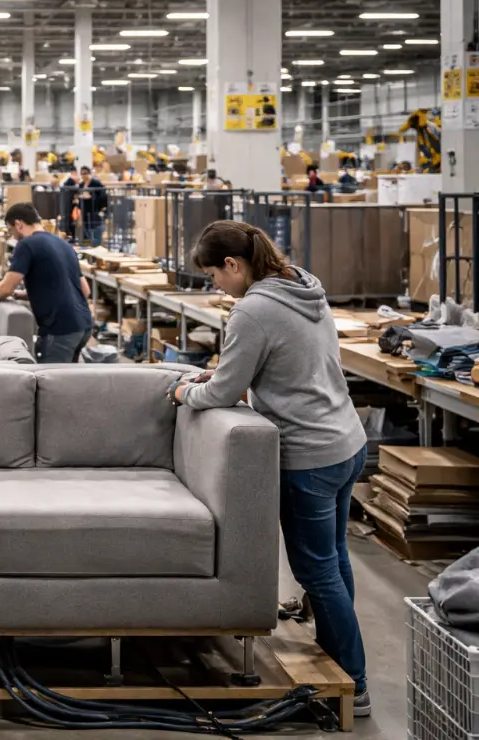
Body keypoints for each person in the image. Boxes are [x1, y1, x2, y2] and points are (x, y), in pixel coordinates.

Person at [167, 220, 370, 718]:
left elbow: (218, 395)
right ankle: (340, 663)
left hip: (309, 455)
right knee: (333, 558)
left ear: (233, 265)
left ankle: (355, 684)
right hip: (347, 442)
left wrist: (183, 392)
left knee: (315, 569)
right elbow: (287, 360)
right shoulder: (302, 285)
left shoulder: (252, 311)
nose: (214, 284)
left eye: (214, 274)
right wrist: (226, 370)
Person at [0, 202, 93, 362]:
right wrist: (23, 295)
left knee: (49, 382)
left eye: (11, 230)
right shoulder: (63, 244)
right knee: (69, 381)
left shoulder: (26, 245)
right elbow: (84, 290)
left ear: (18, 224)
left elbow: (5, 289)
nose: (12, 236)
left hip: (60, 328)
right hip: (83, 326)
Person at [76, 166, 107, 247]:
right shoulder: (81, 184)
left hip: (95, 209)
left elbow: (103, 196)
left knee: (96, 227)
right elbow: (79, 195)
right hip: (85, 209)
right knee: (86, 228)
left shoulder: (96, 183)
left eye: (85, 173)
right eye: (82, 174)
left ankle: (97, 245)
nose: (83, 175)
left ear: (89, 173)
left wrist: (92, 196)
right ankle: (89, 244)